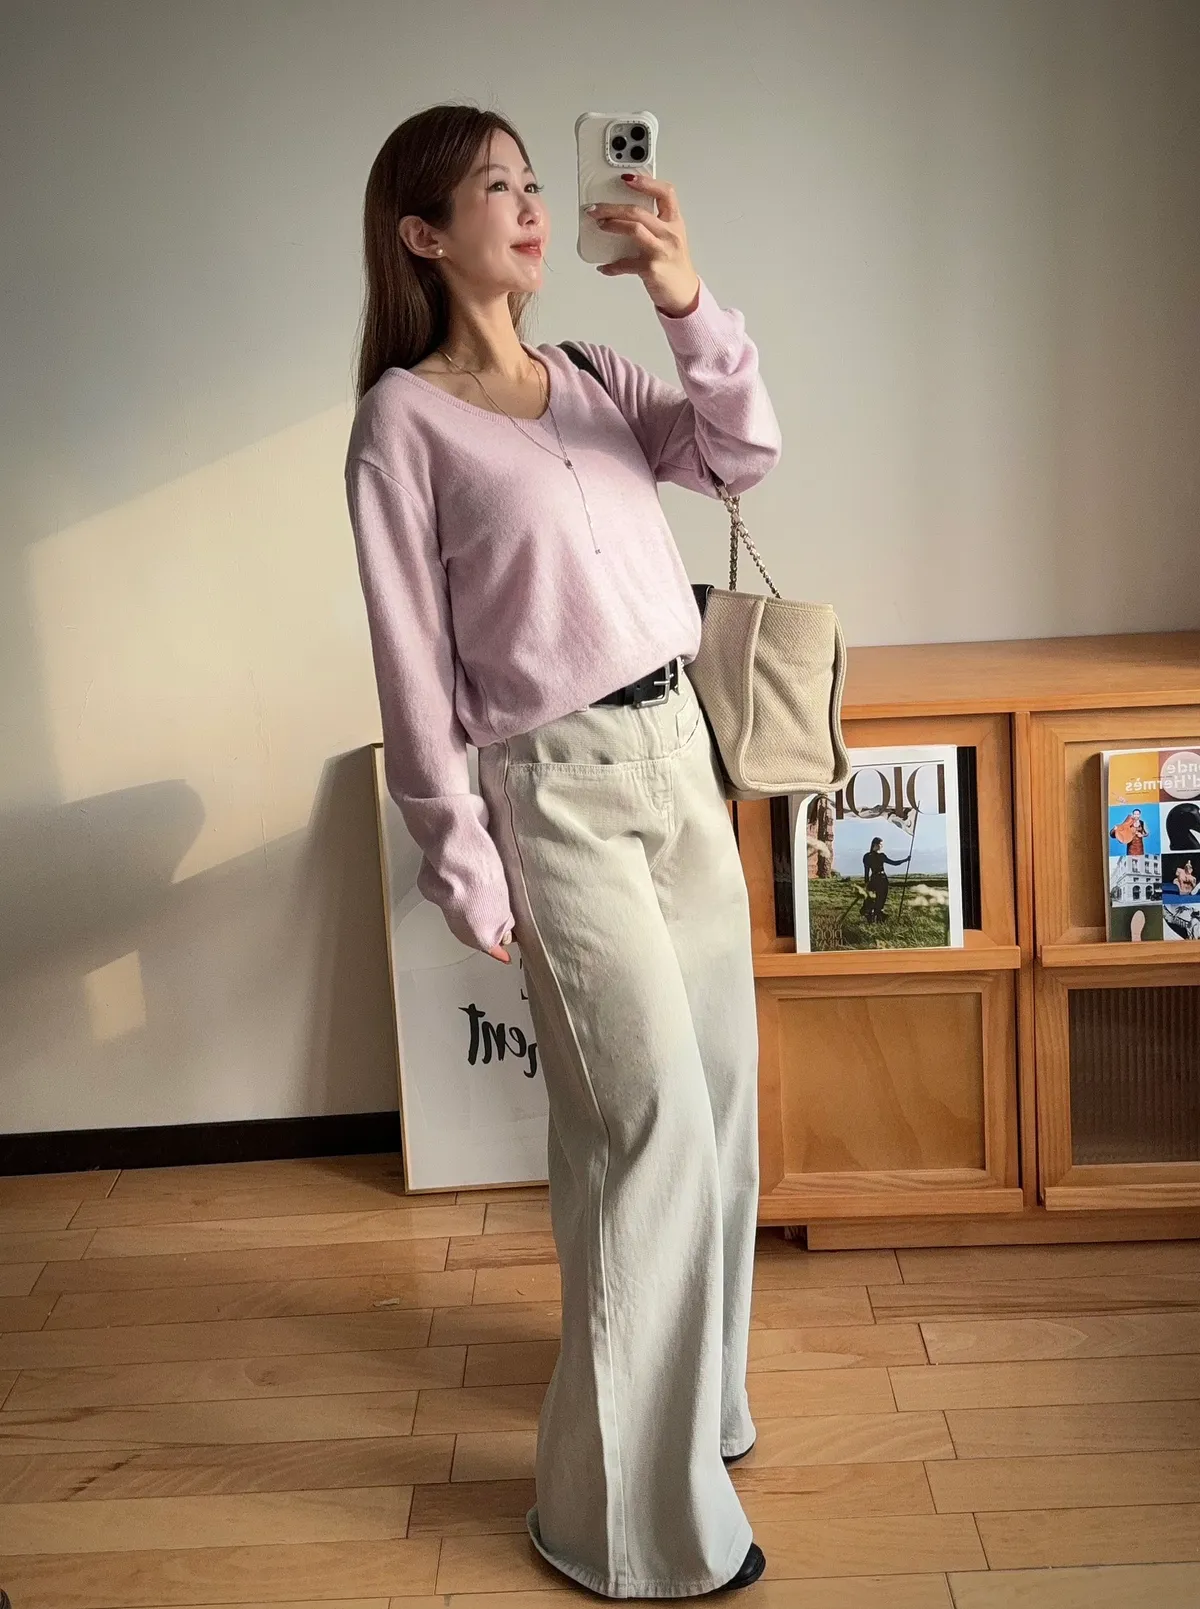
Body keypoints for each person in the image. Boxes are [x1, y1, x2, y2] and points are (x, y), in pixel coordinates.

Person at [344, 105, 782, 1599]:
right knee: (643, 1125)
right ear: (423, 234)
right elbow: (412, 662)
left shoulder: (594, 373)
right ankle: (619, 1524)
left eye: (538, 181)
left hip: (683, 763)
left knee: (718, 1104)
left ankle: (698, 1413)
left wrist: (678, 288)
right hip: (561, 793)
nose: (533, 205)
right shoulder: (402, 423)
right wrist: (458, 854)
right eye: (498, 187)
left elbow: (744, 452)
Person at [861, 837, 910, 924]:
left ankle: (877, 917)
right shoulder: (871, 856)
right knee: (876, 899)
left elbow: (894, 863)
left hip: (878, 880)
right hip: (879, 880)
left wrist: (905, 860)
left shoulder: (873, 856)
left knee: (879, 899)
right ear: (875, 844)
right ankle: (875, 916)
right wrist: (866, 883)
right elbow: (866, 872)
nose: (881, 846)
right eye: (880, 844)